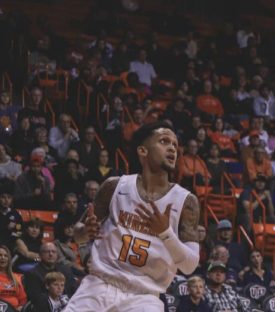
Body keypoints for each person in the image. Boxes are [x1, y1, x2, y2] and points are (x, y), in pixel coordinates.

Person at [67, 122, 201, 311]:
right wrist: (85, 232)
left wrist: (165, 233)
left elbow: (189, 266)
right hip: (100, 284)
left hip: (144, 297)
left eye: (175, 144)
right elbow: (77, 234)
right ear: (143, 151)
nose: (172, 148)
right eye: (164, 141)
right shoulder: (114, 186)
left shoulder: (186, 201)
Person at [0, 244, 25, 309]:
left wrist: (20, 308)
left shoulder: (17, 277)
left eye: (5, 256)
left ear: (9, 259)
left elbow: (22, 300)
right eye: (0, 255)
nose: (3, 257)